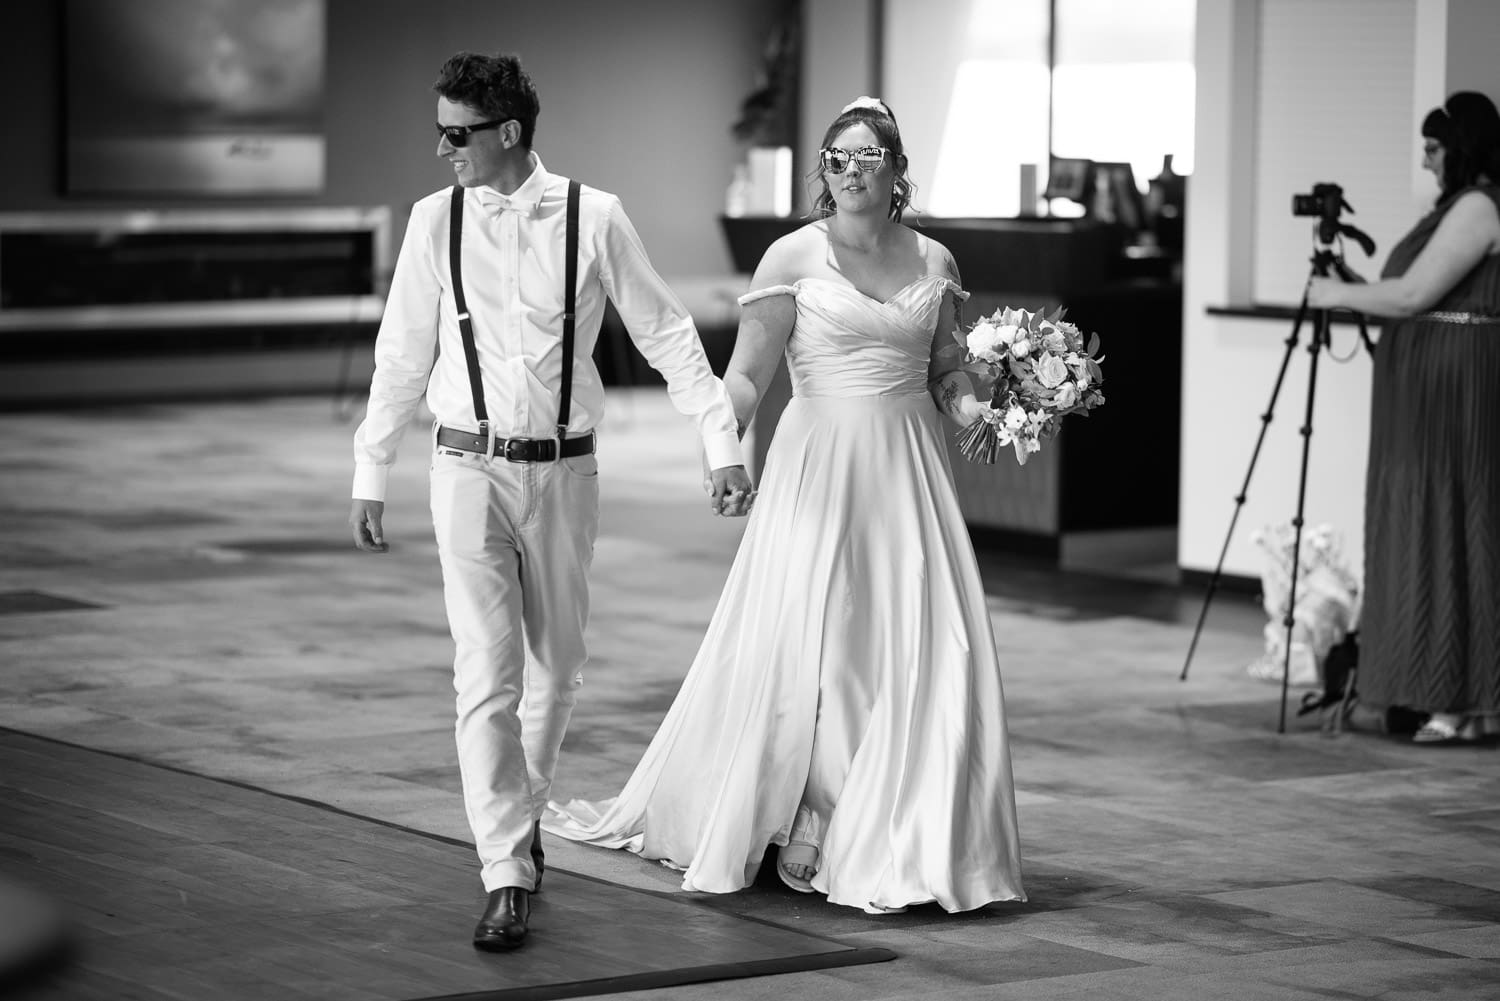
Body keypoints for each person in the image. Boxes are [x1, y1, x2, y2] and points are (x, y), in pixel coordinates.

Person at [545, 97, 1026, 914]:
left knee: (913, 640)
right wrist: (720, 444)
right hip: (818, 467)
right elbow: (747, 376)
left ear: (897, 170)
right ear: (823, 171)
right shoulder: (789, 258)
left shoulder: (935, 261)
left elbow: (945, 366)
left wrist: (981, 403)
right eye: (837, 158)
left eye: (867, 158)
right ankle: (809, 814)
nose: (849, 171)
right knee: (823, 640)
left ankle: (896, 826)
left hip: (908, 466)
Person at [347, 50, 753, 950]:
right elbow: (402, 352)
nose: (444, 148)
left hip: (566, 472)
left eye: (457, 134)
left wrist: (720, 441)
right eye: (440, 131)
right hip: (465, 468)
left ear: (509, 132)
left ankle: (522, 817)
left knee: (557, 668)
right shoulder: (431, 221)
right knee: (482, 676)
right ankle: (503, 867)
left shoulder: (594, 216)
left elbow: (668, 335)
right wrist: (371, 468)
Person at [1308, 90, 1500, 745]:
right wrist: (1352, 279)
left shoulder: (1479, 205)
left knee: (1451, 523)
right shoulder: (1452, 209)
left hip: (1453, 396)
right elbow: (1410, 294)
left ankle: (1462, 694)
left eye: (1436, 144)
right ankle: (1438, 689)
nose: (1426, 156)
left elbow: (1418, 294)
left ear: (1465, 147)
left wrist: (1336, 292)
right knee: (1426, 519)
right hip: (1424, 394)